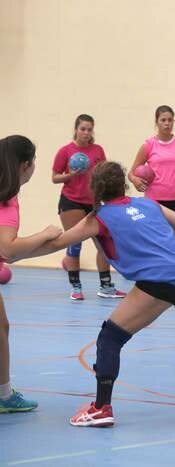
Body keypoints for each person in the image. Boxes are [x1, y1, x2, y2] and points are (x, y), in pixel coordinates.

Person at [22, 161, 175, 426]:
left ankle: (101, 408)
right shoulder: (148, 204)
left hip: (159, 280)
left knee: (110, 338)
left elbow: (58, 243)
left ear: (96, 188)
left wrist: (15, 251)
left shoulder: (97, 218)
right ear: (123, 183)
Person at [0, 135, 62, 413]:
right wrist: (45, 234)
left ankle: (3, 395)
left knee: (2, 328)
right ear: (25, 165)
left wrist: (62, 240)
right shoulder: (7, 200)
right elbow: (10, 250)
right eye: (34, 160)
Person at [52, 114, 126, 300]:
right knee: (75, 243)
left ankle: (106, 286)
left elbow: (103, 174)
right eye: (82, 129)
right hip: (71, 202)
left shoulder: (97, 150)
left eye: (89, 129)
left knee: (104, 244)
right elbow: (54, 177)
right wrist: (71, 175)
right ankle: (76, 287)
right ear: (76, 130)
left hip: (94, 202)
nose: (86, 133)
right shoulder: (65, 151)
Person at [129, 105, 175, 243]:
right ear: (157, 122)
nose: (167, 123)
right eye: (163, 120)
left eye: (170, 120)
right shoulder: (149, 145)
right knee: (156, 242)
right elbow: (131, 173)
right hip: (155, 201)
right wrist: (135, 180)